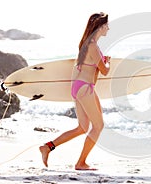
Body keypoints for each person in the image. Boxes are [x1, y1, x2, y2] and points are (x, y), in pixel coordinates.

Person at [39, 12, 110, 170]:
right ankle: (81, 163)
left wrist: (102, 64)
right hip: (84, 88)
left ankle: (47, 147)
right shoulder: (92, 46)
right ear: (100, 26)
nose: (108, 28)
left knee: (83, 127)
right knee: (98, 126)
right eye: (106, 25)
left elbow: (94, 73)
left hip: (80, 87)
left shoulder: (86, 44)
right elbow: (105, 71)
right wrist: (108, 63)